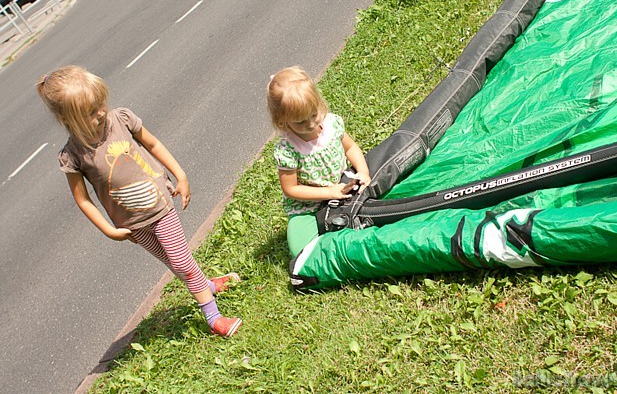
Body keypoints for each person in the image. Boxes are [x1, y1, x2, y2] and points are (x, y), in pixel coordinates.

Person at [37, 66, 242, 337]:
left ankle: (214, 318)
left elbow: (153, 145)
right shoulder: (72, 155)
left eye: (101, 104)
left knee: (181, 262)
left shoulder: (120, 119)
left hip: (159, 206)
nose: (100, 113)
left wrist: (180, 175)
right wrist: (109, 230)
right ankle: (208, 285)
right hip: (131, 224)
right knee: (173, 262)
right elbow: (83, 199)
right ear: (66, 118)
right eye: (90, 112)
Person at [267, 66, 371, 256]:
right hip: (307, 207)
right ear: (281, 120)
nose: (311, 124)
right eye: (300, 122)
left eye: (313, 114)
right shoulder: (288, 149)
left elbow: (351, 148)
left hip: (343, 185)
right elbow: (291, 189)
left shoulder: (331, 124)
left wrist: (363, 172)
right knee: (301, 252)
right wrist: (328, 192)